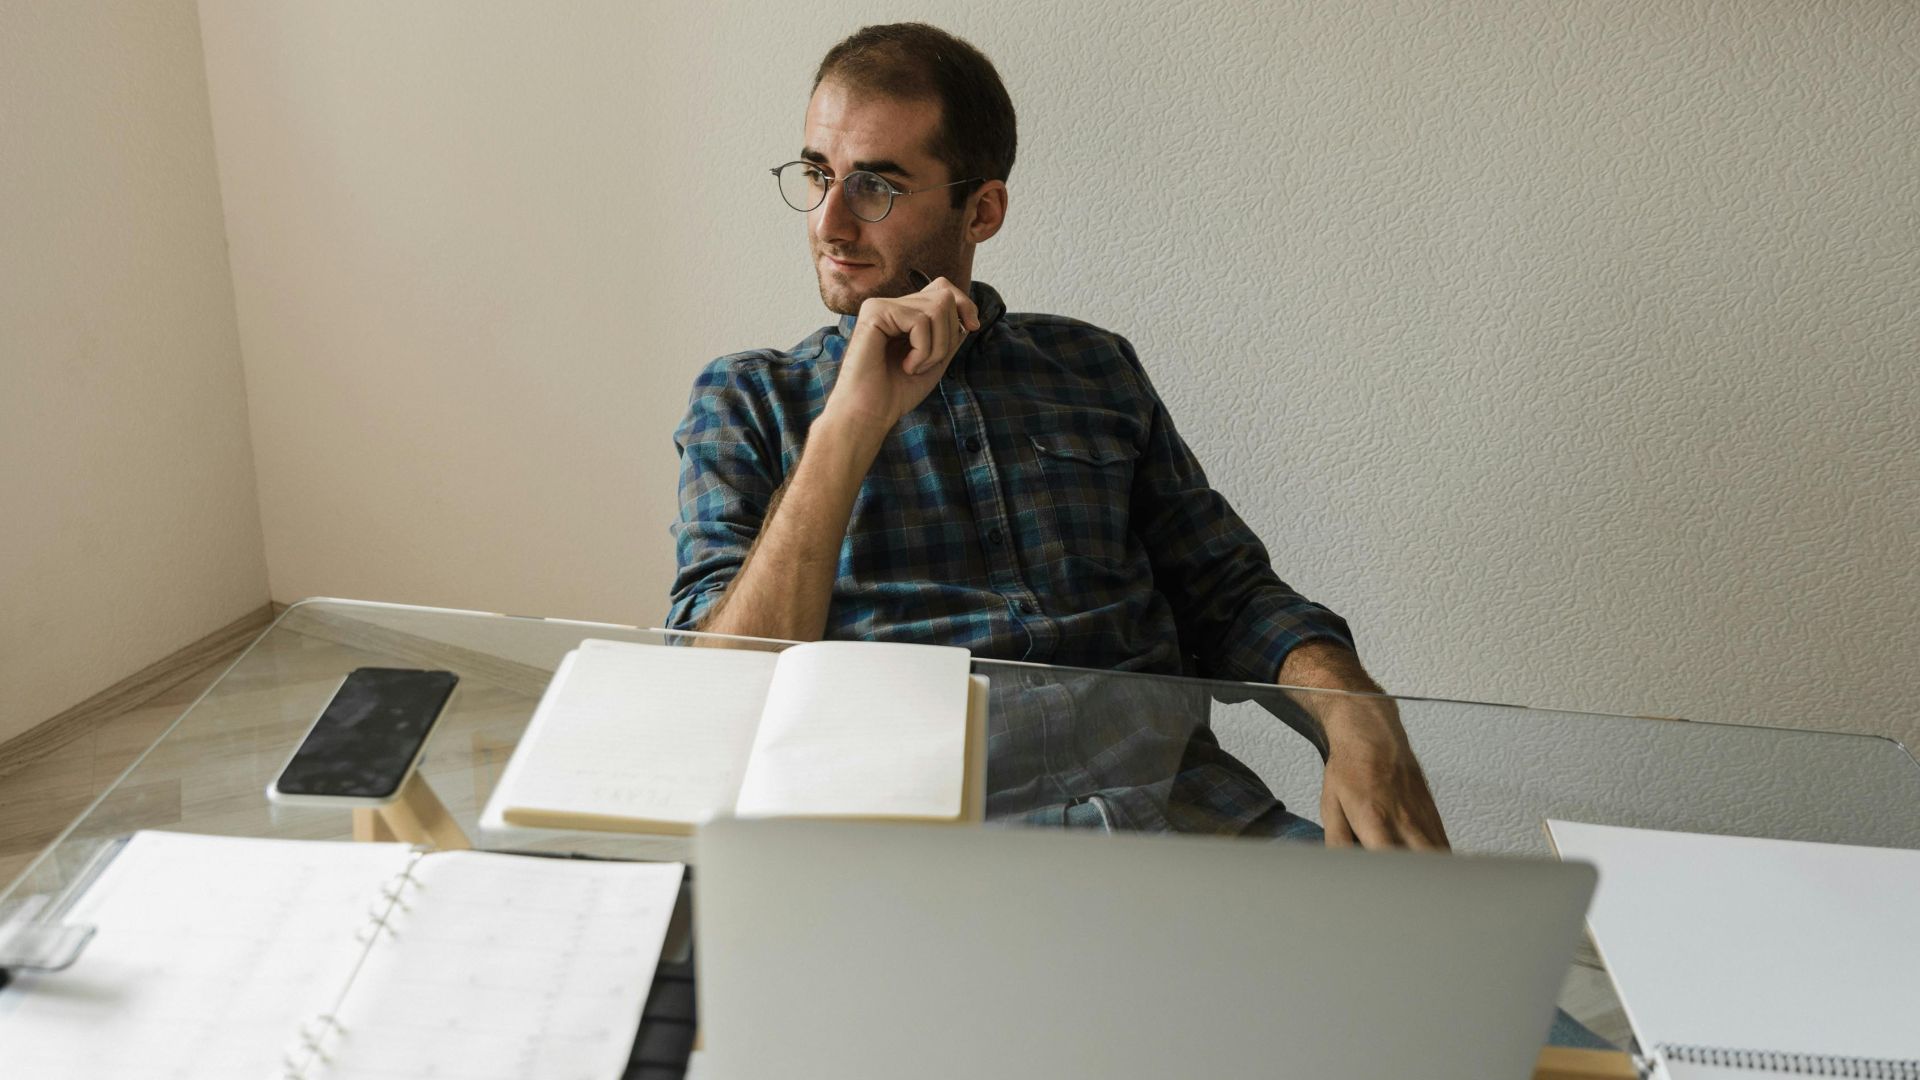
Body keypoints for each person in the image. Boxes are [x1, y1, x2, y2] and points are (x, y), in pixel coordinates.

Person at [667, 22, 1447, 852]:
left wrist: (1358, 715)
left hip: (1186, 822)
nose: (830, 222)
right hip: (925, 854)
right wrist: (849, 428)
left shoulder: (1093, 368)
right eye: (818, 175)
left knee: (1469, 969)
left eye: (876, 187)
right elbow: (721, 694)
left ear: (983, 209)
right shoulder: (750, 397)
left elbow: (1231, 593)